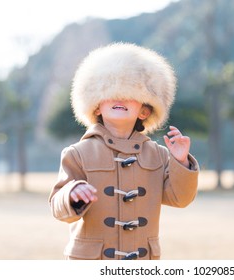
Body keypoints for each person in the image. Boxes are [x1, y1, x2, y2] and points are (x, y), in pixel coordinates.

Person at [48, 43, 199, 260]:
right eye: (111, 92)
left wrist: (181, 161)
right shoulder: (77, 153)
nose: (120, 98)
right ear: (96, 106)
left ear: (144, 111)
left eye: (130, 94)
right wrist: (72, 194)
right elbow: (57, 206)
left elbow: (180, 199)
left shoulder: (158, 154)